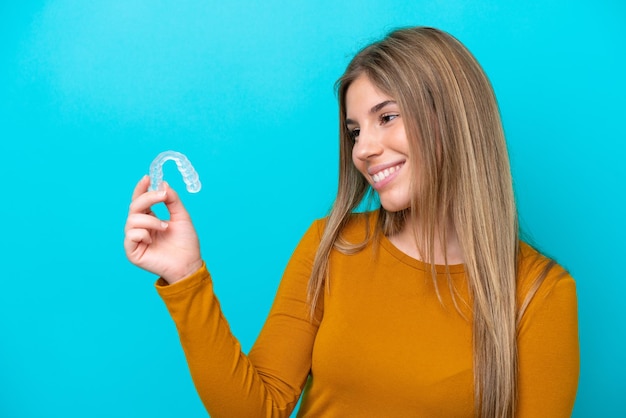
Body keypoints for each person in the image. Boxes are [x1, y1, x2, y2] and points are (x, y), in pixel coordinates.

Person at [124, 27, 579, 418]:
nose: (363, 149)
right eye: (355, 130)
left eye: (386, 117)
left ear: (454, 119)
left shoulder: (540, 295)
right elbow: (258, 408)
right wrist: (185, 277)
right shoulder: (332, 246)